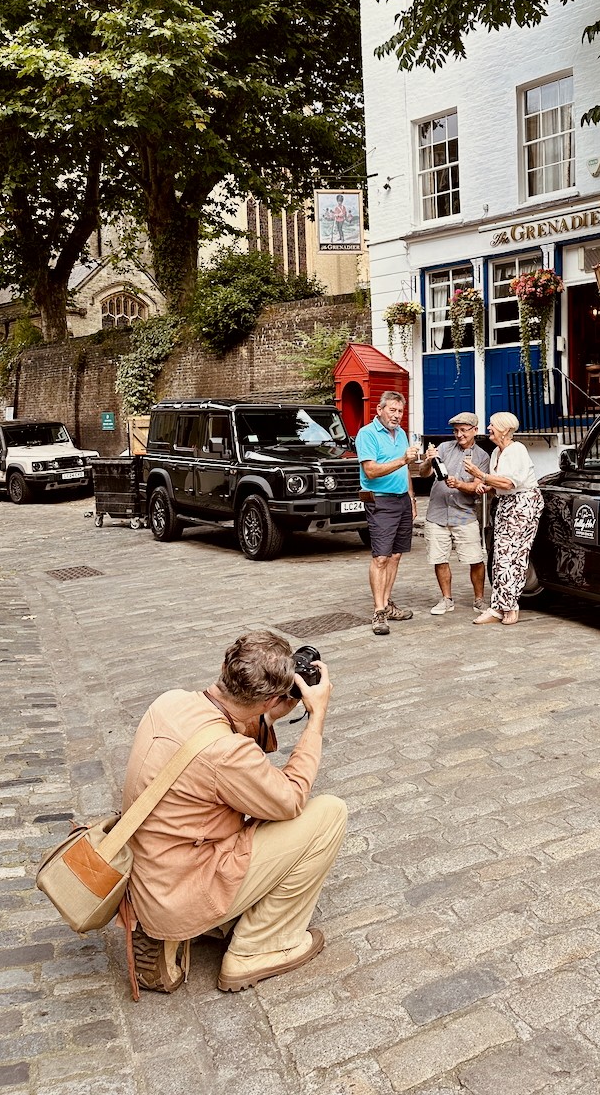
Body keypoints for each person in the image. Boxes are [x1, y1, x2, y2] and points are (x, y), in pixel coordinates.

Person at [120, 630, 347, 995]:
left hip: (150, 874)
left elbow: (213, 748)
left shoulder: (171, 702)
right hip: (181, 890)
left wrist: (267, 717)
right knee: (329, 814)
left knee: (251, 810)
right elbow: (288, 800)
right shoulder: (227, 754)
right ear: (271, 695)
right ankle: (257, 949)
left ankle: (189, 924)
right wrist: (317, 716)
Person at [464, 411, 542, 627]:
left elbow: (509, 483)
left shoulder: (517, 450)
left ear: (505, 430)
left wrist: (481, 475)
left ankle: (509, 607)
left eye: (492, 425)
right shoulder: (498, 452)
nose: (488, 428)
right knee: (500, 555)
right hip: (507, 505)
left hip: (523, 505)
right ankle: (498, 606)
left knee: (513, 556)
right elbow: (499, 483)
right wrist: (486, 485)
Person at [355, 391, 420, 635]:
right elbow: (370, 471)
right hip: (380, 501)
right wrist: (403, 460)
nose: (396, 415)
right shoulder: (367, 434)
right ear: (379, 410)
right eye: (392, 410)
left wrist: (411, 499)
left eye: (400, 411)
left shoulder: (401, 434)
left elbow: (406, 473)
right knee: (380, 557)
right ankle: (378, 612)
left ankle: (388, 603)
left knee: (395, 556)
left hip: (402, 500)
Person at [415, 411, 490, 615]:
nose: (459, 435)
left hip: (464, 514)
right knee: (439, 558)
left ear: (475, 430)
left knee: (475, 559)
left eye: (464, 430)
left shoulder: (482, 457)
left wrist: (458, 484)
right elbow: (423, 474)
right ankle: (446, 599)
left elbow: (477, 486)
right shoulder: (445, 448)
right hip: (437, 513)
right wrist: (428, 461)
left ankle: (479, 600)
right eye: (456, 431)